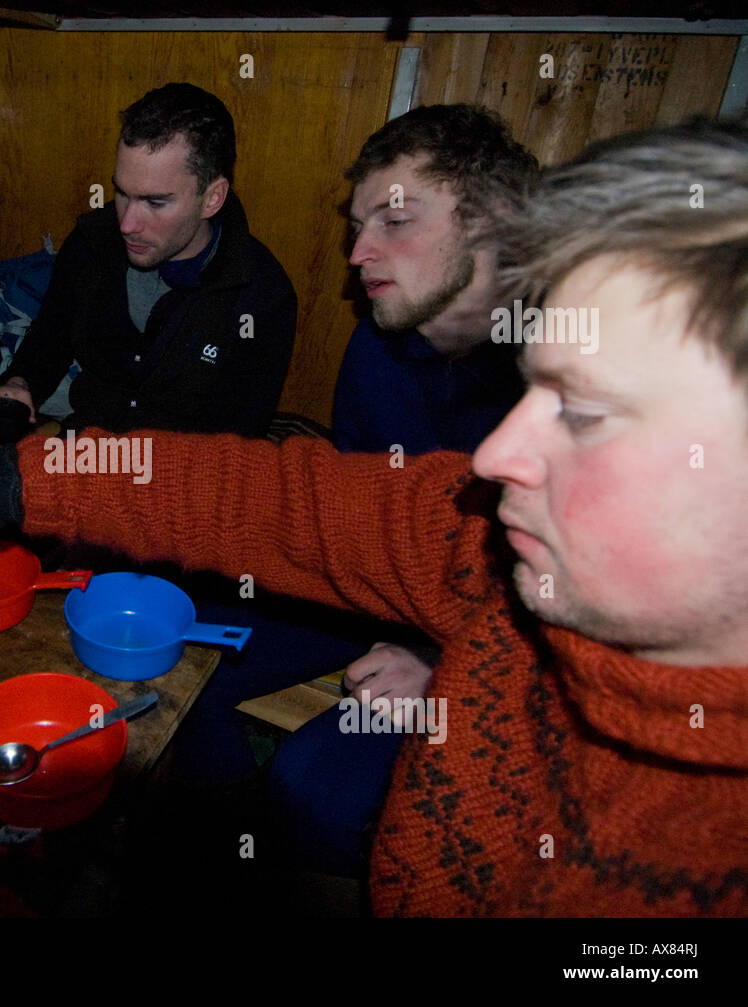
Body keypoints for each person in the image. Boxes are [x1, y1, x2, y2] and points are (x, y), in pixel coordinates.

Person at [0, 118, 748, 917]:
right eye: (535, 391)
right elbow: (273, 498)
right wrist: (1, 486)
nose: (500, 458)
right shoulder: (488, 547)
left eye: (583, 411)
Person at [180, 105, 537, 875]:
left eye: (394, 219)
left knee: (317, 788)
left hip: (503, 645)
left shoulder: (574, 363)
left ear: (494, 222)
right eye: (356, 224)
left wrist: (451, 665)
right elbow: (346, 518)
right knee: (182, 653)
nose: (357, 251)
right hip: (380, 595)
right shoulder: (379, 340)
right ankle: (221, 868)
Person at [0, 82, 297, 442]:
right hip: (84, 454)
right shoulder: (93, 245)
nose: (127, 225)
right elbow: (49, 342)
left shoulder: (262, 296)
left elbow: (238, 446)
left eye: (155, 202)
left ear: (212, 198)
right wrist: (17, 384)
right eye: (122, 193)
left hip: (184, 483)